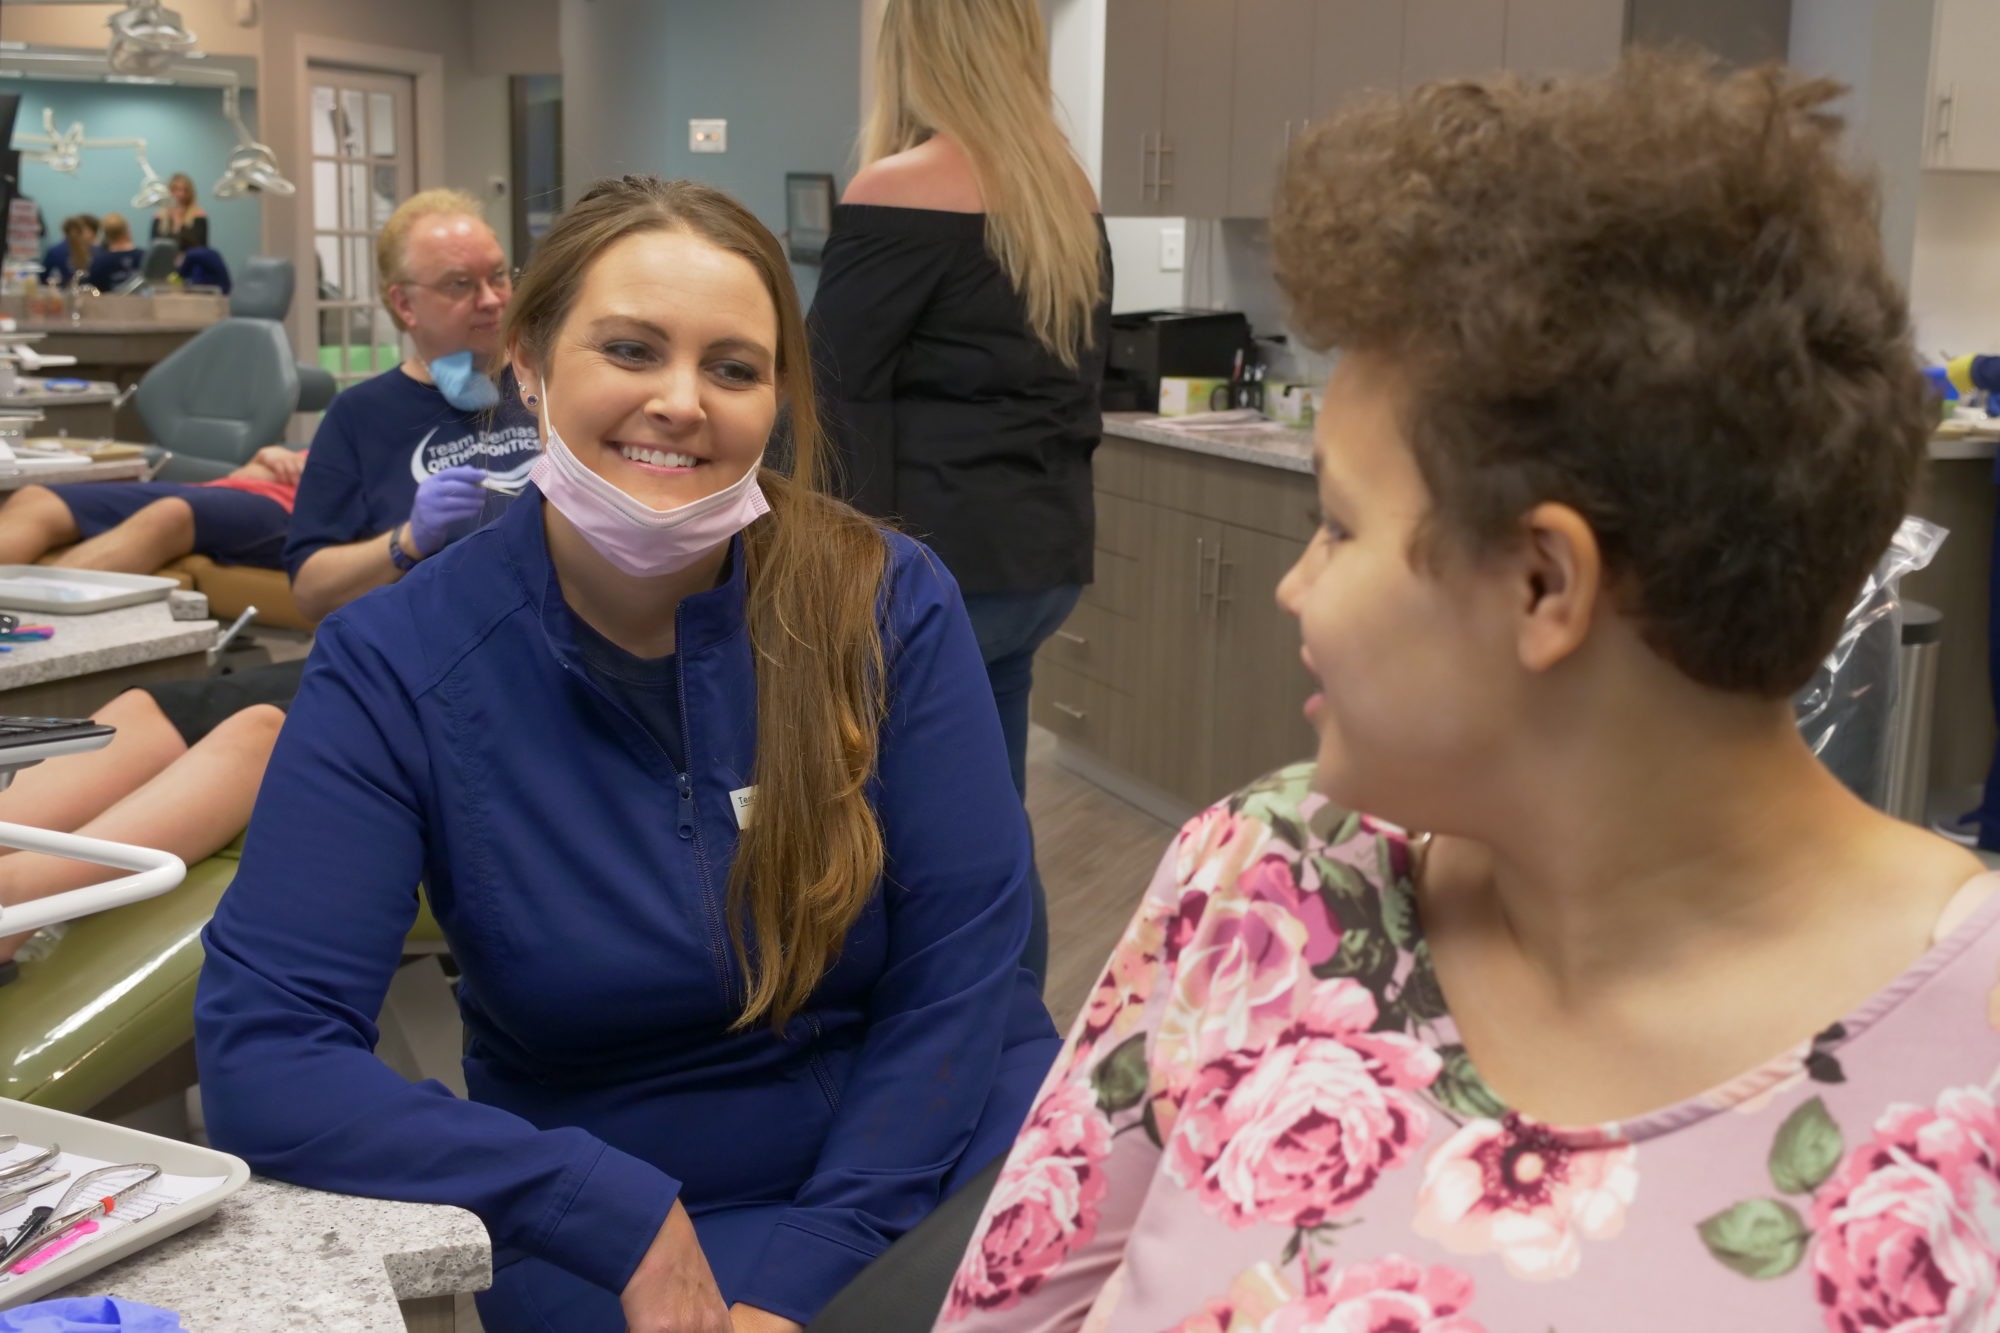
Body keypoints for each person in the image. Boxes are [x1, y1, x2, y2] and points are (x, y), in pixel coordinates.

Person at [935, 53, 1999, 1331]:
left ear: (1543, 583)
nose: (1293, 585)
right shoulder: (1258, 879)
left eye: (1338, 526)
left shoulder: (1973, 1061)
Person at [195, 176, 1061, 1333]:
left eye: (732, 368)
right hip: (623, 1213)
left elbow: (965, 972)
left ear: (776, 400)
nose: (680, 402)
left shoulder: (882, 601)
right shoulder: (397, 662)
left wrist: (811, 1270)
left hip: (936, 1143)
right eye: (630, 349)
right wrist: (595, 1205)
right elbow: (268, 1058)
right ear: (529, 364)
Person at [808, 0, 1111, 988]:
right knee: (990, 814)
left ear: (918, 49)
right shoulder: (1065, 191)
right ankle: (1015, 1028)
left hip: (931, 573)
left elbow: (829, 396)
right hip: (1034, 563)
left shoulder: (899, 190)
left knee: (901, 837)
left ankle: (947, 1031)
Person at [285, 188, 540, 623]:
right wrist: (407, 541)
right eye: (460, 284)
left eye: (498, 276)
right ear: (405, 304)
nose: (492, 299)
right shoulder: (360, 415)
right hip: (436, 646)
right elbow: (310, 593)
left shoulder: (549, 381)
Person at [0, 445, 306, 573]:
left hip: (295, 513)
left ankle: (29, 624)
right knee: (38, 499)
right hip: (226, 489)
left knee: (170, 515)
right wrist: (269, 455)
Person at [38, 214, 99, 288]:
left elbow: (43, 278)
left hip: (62, 291)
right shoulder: (94, 250)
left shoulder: (55, 251)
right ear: (82, 231)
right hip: (88, 292)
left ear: (63, 231)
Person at [85, 213, 143, 291]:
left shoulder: (99, 262)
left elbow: (95, 289)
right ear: (127, 230)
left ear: (106, 234)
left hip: (110, 298)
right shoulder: (145, 257)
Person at [150, 172, 207, 250]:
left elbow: (200, 247)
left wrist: (178, 221)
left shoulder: (199, 216)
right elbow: (154, 246)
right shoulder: (159, 217)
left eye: (185, 190)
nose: (180, 194)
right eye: (175, 189)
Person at [173, 222, 231, 293]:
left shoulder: (191, 255)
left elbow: (181, 274)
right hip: (224, 290)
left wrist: (176, 268)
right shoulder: (206, 252)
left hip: (217, 291)